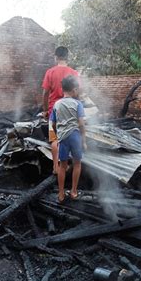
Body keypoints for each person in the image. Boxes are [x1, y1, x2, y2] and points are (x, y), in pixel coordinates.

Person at [42, 46, 79, 174]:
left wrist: (46, 110)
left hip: (54, 109)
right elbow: (77, 93)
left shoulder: (50, 72)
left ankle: (55, 167)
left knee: (55, 139)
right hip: (70, 110)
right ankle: (70, 164)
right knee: (70, 136)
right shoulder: (74, 73)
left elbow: (45, 93)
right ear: (67, 57)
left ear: (56, 57)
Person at [50, 75, 86, 203]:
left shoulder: (56, 104)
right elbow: (81, 124)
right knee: (77, 163)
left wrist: (57, 134)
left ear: (62, 89)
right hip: (75, 136)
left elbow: (53, 124)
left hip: (63, 138)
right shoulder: (78, 104)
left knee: (62, 166)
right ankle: (74, 191)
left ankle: (60, 194)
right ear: (74, 90)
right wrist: (84, 140)